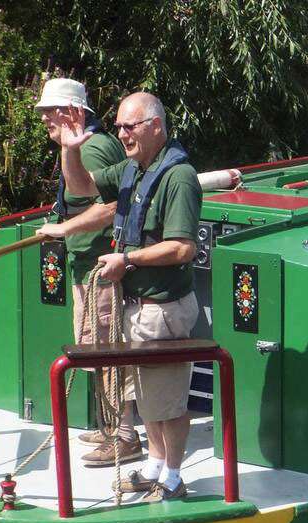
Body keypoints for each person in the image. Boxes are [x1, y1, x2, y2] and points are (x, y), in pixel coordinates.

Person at [40, 92, 202, 502]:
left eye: (130, 127)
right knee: (147, 398)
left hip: (163, 309)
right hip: (137, 307)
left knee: (167, 401)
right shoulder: (134, 168)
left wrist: (126, 259)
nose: (122, 135)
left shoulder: (179, 177)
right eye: (118, 127)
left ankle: (173, 479)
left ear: (155, 126)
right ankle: (153, 467)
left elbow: (183, 248)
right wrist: (70, 149)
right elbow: (81, 187)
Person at [34, 78, 143, 467]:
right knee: (96, 347)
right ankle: (110, 426)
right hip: (90, 264)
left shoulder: (94, 148)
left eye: (50, 110)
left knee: (106, 348)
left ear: (72, 112)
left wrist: (63, 228)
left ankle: (125, 436)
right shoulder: (92, 145)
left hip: (99, 267)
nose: (44, 118)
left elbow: (110, 208)